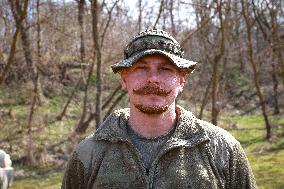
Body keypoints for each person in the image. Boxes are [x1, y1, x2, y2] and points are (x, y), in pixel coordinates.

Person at [61, 29, 257, 189]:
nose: (153, 78)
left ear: (182, 80)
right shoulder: (88, 155)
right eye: (141, 68)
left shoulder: (222, 150)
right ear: (123, 79)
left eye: (165, 69)